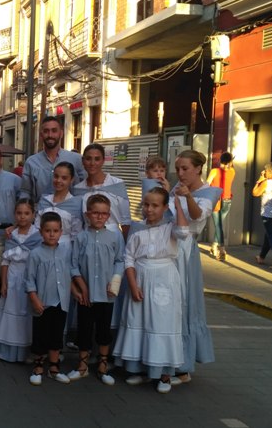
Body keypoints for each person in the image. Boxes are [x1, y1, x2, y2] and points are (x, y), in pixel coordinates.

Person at [114, 187, 189, 394]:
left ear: (165, 207)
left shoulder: (171, 227)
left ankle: (164, 373)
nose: (149, 209)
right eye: (146, 204)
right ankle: (141, 368)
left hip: (164, 278)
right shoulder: (138, 228)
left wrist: (179, 206)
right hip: (140, 277)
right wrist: (132, 284)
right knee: (139, 320)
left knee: (161, 322)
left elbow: (184, 232)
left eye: (155, 205)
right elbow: (128, 257)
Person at [169, 150, 221, 384]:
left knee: (184, 304)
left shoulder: (210, 192)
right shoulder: (176, 187)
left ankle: (183, 365)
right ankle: (165, 360)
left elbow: (197, 216)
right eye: (178, 169)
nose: (180, 173)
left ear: (198, 168)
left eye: (185, 169)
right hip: (167, 247)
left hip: (185, 249)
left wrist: (188, 196)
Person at [67, 195, 123, 386]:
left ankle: (102, 366)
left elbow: (120, 260)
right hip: (86, 294)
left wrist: (115, 281)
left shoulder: (115, 237)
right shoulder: (81, 237)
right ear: (87, 214)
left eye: (104, 213)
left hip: (106, 295)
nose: (99, 217)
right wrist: (82, 287)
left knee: (104, 330)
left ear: (109, 215)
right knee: (84, 329)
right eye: (95, 213)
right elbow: (73, 265)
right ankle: (82, 366)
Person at [26, 212, 73, 386]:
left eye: (55, 231)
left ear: (61, 232)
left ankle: (54, 368)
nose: (51, 234)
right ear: (41, 232)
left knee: (56, 334)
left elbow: (70, 272)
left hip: (61, 301)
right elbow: (29, 280)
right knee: (41, 333)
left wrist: (75, 290)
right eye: (48, 231)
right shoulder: (35, 254)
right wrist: (35, 299)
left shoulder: (66, 252)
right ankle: (38, 367)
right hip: (43, 302)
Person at [0, 198, 41, 362]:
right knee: (11, 309)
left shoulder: (37, 236)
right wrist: (4, 282)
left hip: (29, 278)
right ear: (14, 215)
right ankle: (8, 349)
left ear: (33, 215)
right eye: (19, 213)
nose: (22, 217)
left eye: (26, 213)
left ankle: (26, 350)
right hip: (13, 277)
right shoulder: (11, 235)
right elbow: (6, 260)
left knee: (25, 311)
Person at [73, 143, 132, 240]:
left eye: (97, 159)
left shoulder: (117, 184)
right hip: (88, 239)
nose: (92, 163)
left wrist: (126, 245)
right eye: (88, 159)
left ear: (103, 161)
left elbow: (126, 221)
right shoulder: (78, 190)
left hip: (113, 239)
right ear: (83, 161)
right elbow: (77, 221)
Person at [20, 116, 85, 202]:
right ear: (41, 135)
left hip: (70, 212)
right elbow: (25, 192)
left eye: (54, 131)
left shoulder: (76, 159)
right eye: (46, 131)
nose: (50, 135)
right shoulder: (31, 162)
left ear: (61, 133)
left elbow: (84, 187)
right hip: (41, 212)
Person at [34, 162, 84, 244]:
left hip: (65, 249)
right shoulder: (44, 200)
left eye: (64, 178)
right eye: (56, 176)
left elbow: (76, 233)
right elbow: (37, 227)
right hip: (42, 246)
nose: (58, 180)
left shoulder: (76, 204)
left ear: (71, 180)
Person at [205, 152, 235, 261]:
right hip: (227, 200)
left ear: (220, 160)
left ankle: (222, 249)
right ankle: (214, 246)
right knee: (219, 225)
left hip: (216, 200)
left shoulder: (214, 171)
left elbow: (207, 184)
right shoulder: (232, 171)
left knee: (218, 226)